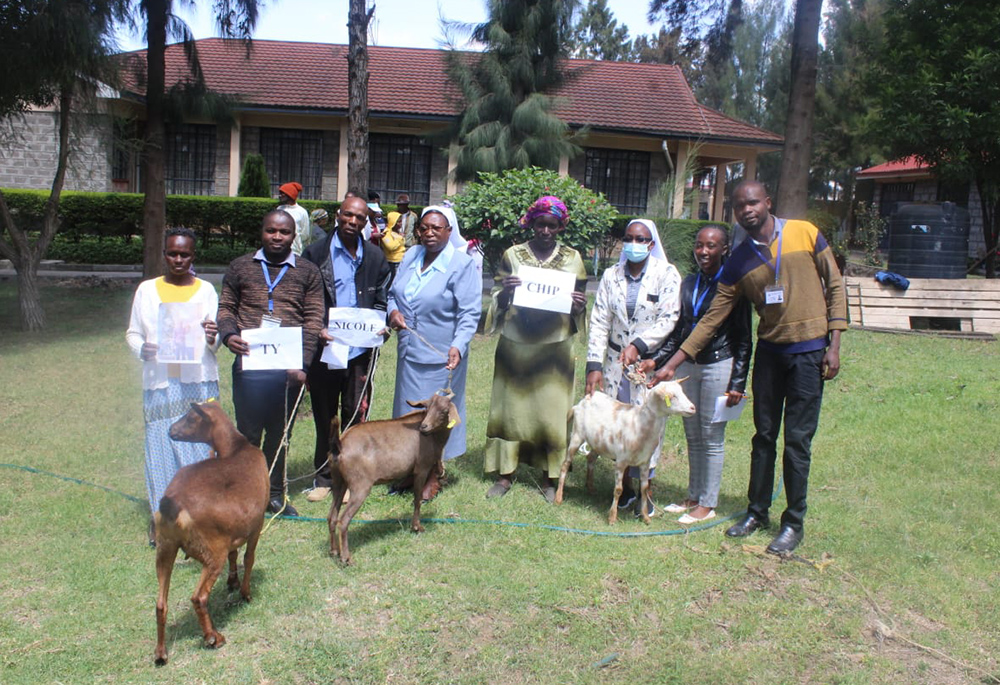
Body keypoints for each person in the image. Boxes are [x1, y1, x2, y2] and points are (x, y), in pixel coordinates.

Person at [657, 181, 847, 553]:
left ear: (767, 202)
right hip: (771, 354)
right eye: (740, 205)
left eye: (753, 202)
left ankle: (792, 524)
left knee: (796, 441)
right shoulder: (739, 260)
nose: (747, 209)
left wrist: (834, 342)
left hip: (809, 353)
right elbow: (711, 319)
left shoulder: (804, 233)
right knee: (763, 438)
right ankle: (756, 511)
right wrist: (672, 362)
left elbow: (835, 284)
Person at [641, 225, 753, 524]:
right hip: (688, 365)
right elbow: (681, 332)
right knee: (692, 434)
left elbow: (743, 338)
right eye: (700, 245)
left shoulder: (733, 286)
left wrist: (738, 382)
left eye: (712, 246)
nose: (704, 251)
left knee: (711, 434)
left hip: (719, 363)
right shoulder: (690, 283)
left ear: (724, 249)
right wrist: (658, 360)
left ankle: (708, 502)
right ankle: (692, 494)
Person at [217, 210, 325, 516]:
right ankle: (246, 495)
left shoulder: (308, 272)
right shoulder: (240, 267)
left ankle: (274, 495)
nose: (277, 237)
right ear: (261, 232)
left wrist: (303, 364)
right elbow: (226, 306)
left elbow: (314, 318)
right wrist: (228, 335)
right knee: (248, 434)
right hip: (250, 366)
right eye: (271, 231)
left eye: (284, 233)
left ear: (294, 236)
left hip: (287, 371)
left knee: (280, 435)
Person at [483, 195, 588, 502]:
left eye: (551, 225)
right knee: (510, 409)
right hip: (516, 345)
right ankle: (505, 474)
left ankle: (550, 476)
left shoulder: (573, 258)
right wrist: (507, 293)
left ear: (560, 227)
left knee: (551, 412)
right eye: (540, 224)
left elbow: (578, 300)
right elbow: (496, 294)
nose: (545, 231)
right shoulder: (513, 255)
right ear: (531, 223)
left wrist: (578, 305)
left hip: (554, 350)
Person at [126, 227, 220, 544]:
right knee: (160, 446)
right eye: (172, 253)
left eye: (185, 254)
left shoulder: (206, 290)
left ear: (193, 256)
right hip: (161, 382)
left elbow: (215, 338)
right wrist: (143, 349)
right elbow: (133, 333)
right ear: (164, 254)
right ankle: (163, 518)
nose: (178, 259)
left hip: (196, 380)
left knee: (198, 449)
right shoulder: (147, 291)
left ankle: (198, 518)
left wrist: (212, 336)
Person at [585, 219, 682, 516]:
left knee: (648, 425)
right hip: (616, 363)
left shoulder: (666, 275)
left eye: (640, 239)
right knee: (621, 422)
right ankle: (624, 488)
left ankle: (645, 491)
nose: (634, 244)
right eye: (629, 238)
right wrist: (593, 363)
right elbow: (600, 320)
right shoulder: (611, 275)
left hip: (648, 364)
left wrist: (639, 344)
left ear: (651, 244)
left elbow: (670, 318)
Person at [301, 195, 392, 502]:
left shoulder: (375, 256)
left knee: (355, 415)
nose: (353, 222)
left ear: (366, 222)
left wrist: (382, 326)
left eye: (360, 218)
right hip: (327, 348)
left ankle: (352, 473)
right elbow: (304, 299)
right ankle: (325, 476)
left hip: (360, 352)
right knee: (326, 415)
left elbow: (382, 298)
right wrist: (317, 329)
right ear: (338, 215)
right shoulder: (315, 254)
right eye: (348, 215)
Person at [386, 206, 481, 499]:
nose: (429, 233)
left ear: (449, 232)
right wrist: (393, 313)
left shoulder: (462, 265)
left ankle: (433, 474)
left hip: (443, 355)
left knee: (437, 416)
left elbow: (469, 312)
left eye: (436, 228)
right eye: (424, 227)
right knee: (409, 412)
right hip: (410, 351)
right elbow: (393, 294)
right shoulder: (411, 256)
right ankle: (410, 470)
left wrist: (459, 344)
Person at [277, 181, 312, 255]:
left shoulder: (301, 212)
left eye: (283, 193)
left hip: (295, 250)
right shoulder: (279, 209)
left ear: (290, 195)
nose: (280, 196)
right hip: (280, 248)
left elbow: (305, 234)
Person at [380, 210, 406, 283]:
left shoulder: (397, 232)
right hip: (393, 262)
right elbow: (391, 247)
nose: (400, 224)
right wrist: (400, 238)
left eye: (401, 221)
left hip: (400, 260)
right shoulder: (386, 233)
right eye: (398, 222)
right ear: (393, 222)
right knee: (392, 282)